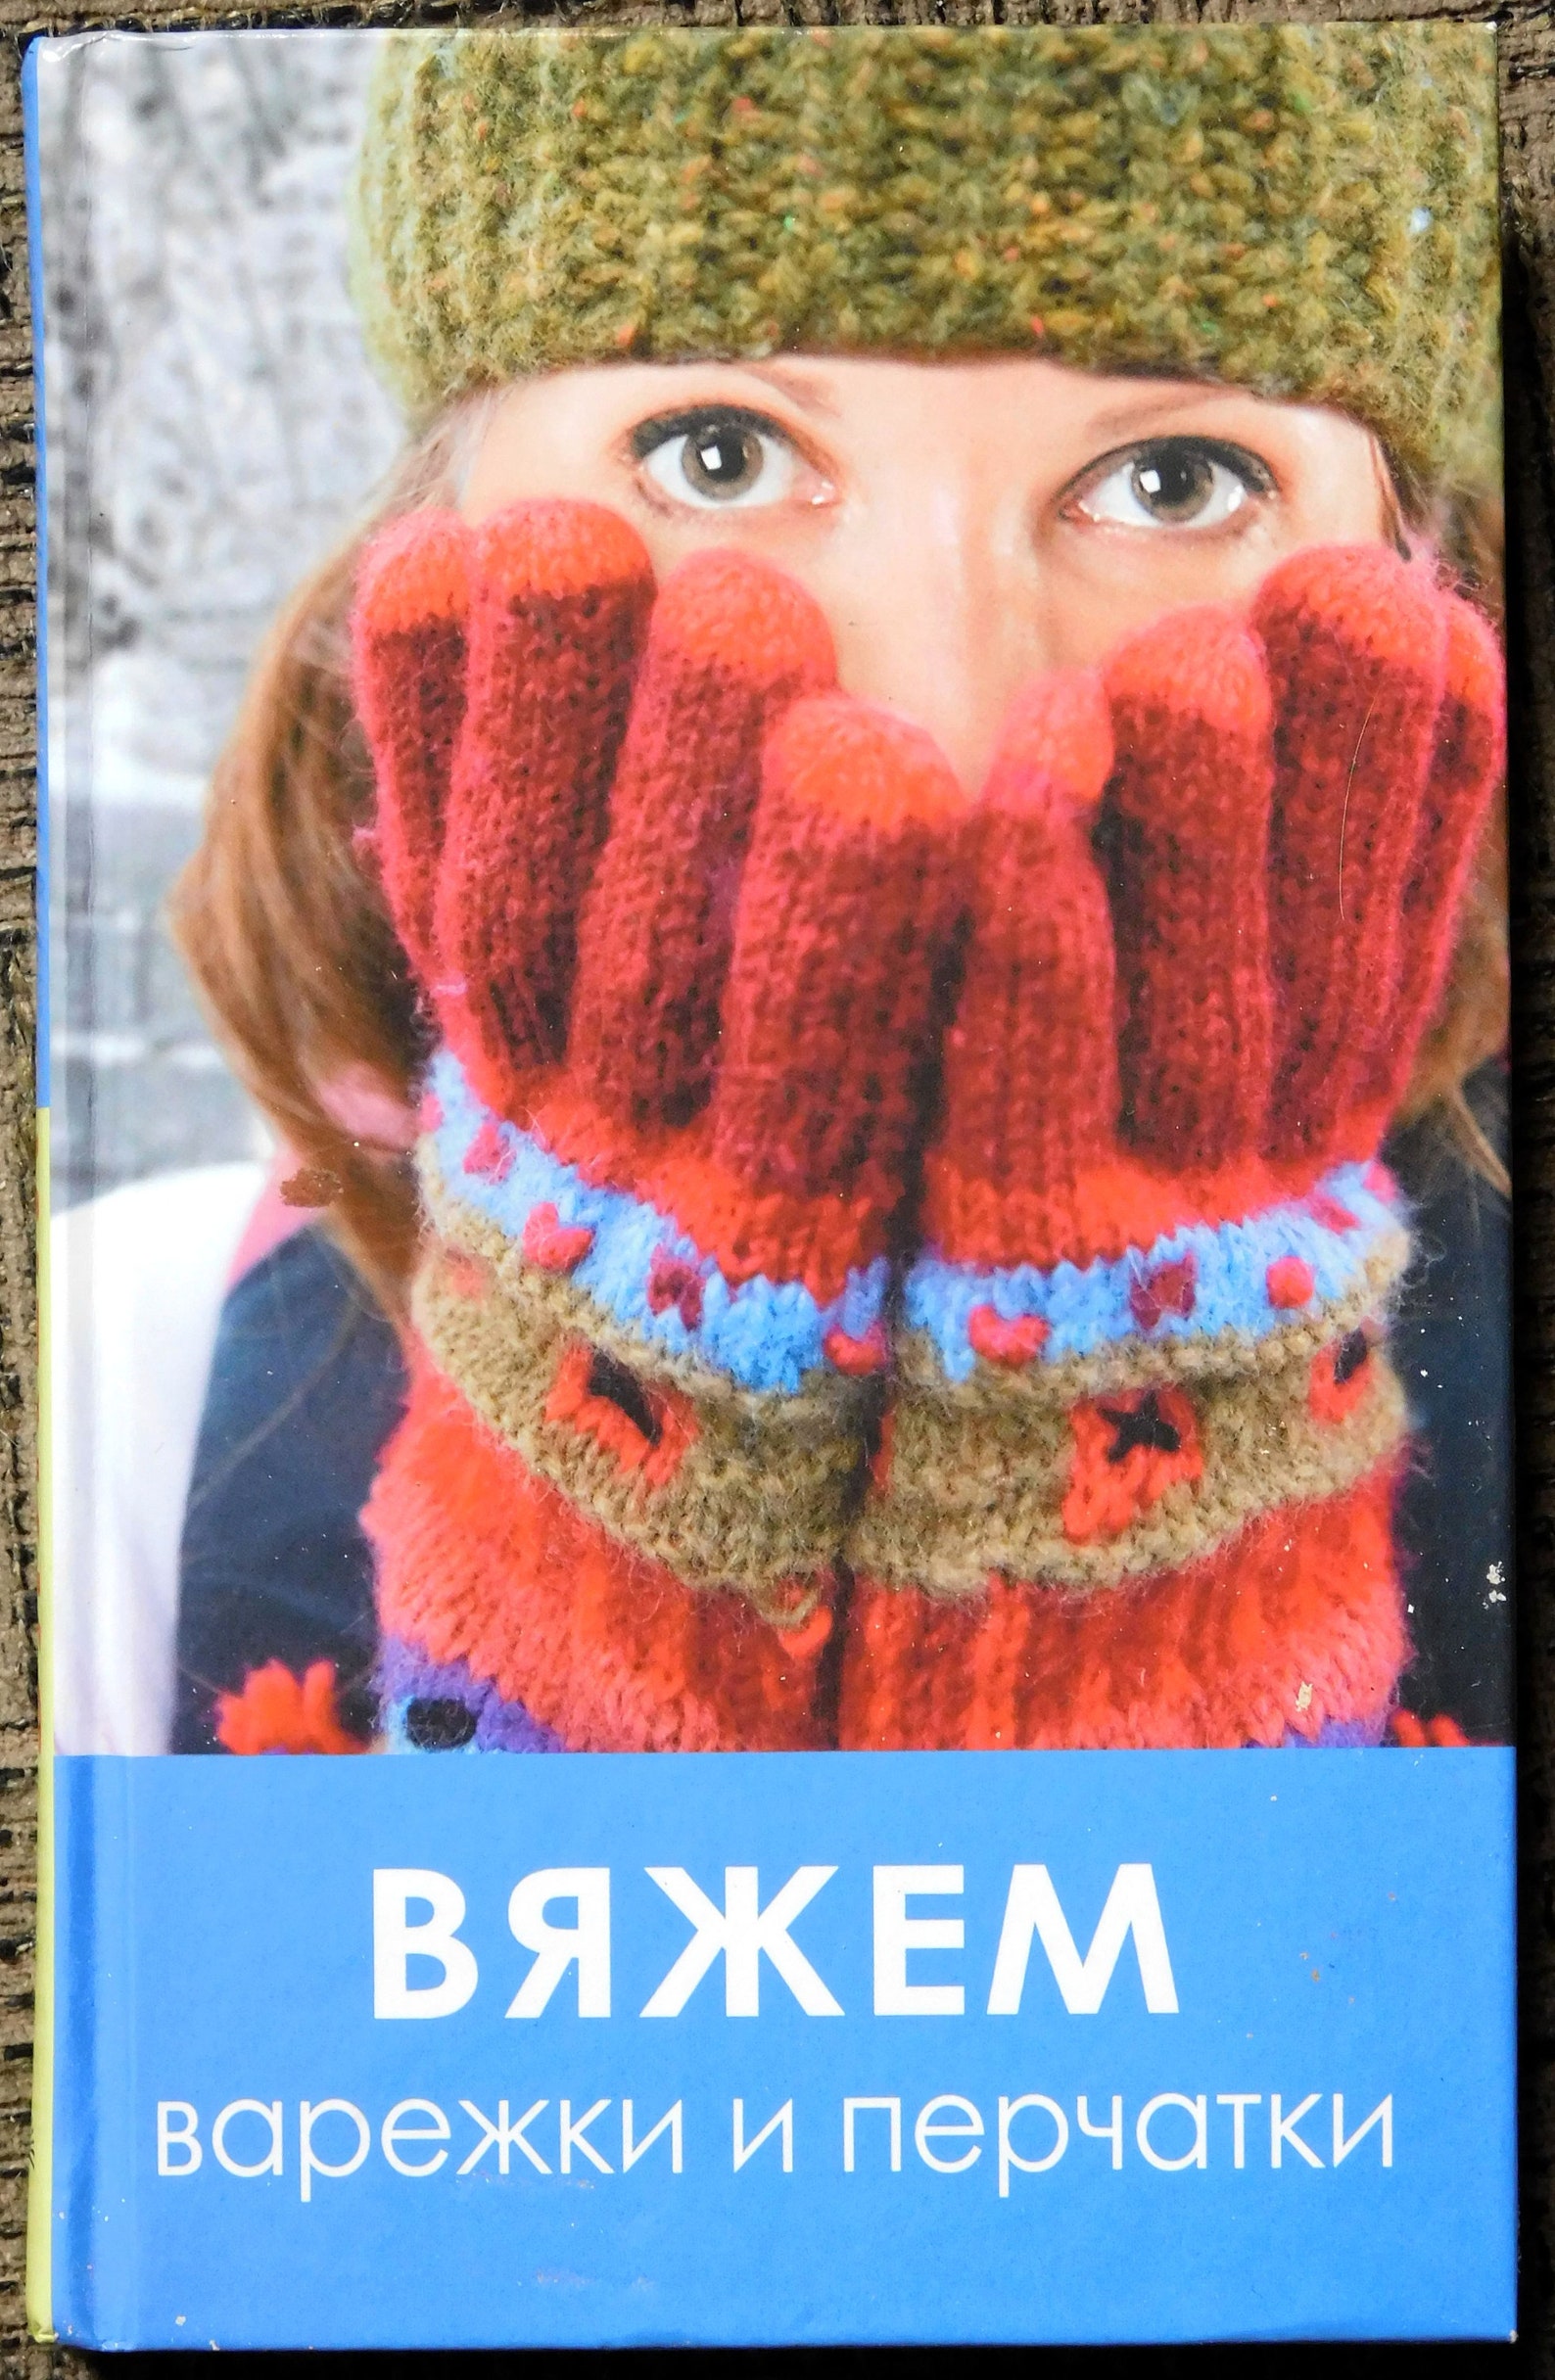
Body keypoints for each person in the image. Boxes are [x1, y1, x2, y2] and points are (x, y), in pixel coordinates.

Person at [158, 22, 1507, 1755]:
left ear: (1410, 572)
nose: (944, 706)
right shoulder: (128, 1402)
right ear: (447, 527)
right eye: (717, 454)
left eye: (1173, 482)